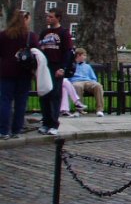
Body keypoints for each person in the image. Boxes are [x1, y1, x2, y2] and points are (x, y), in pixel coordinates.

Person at [0, 10, 40, 140]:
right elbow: (37, 54)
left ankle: (3, 131)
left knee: (5, 101)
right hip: (24, 72)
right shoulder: (30, 36)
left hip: (6, 71)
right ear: (25, 20)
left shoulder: (3, 35)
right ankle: (16, 130)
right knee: (21, 103)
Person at [37, 9, 75, 136]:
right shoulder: (44, 32)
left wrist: (62, 68)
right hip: (44, 67)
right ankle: (45, 122)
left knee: (54, 95)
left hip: (56, 66)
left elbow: (68, 52)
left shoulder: (63, 33)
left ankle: (54, 124)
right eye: (48, 16)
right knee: (44, 95)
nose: (48, 19)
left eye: (51, 17)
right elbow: (39, 48)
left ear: (58, 18)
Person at [67, 48, 105, 117]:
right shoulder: (71, 65)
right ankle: (79, 110)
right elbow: (68, 76)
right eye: (84, 55)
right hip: (76, 81)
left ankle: (99, 110)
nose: (85, 57)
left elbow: (93, 78)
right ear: (78, 55)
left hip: (88, 82)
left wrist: (93, 83)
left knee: (98, 86)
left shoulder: (87, 66)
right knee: (77, 86)